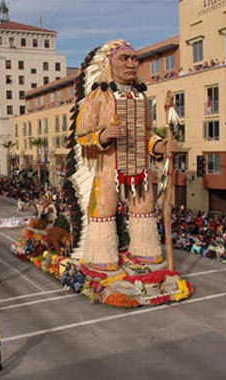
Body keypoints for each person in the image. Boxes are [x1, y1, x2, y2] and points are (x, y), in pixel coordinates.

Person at [74, 39, 176, 266]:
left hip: (139, 167)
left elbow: (146, 134)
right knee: (103, 209)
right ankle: (100, 256)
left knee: (145, 208)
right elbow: (81, 135)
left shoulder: (141, 97)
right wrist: (103, 136)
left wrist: (160, 146)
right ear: (109, 64)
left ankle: (144, 249)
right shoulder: (98, 96)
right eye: (124, 58)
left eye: (134, 58)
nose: (131, 64)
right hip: (108, 167)